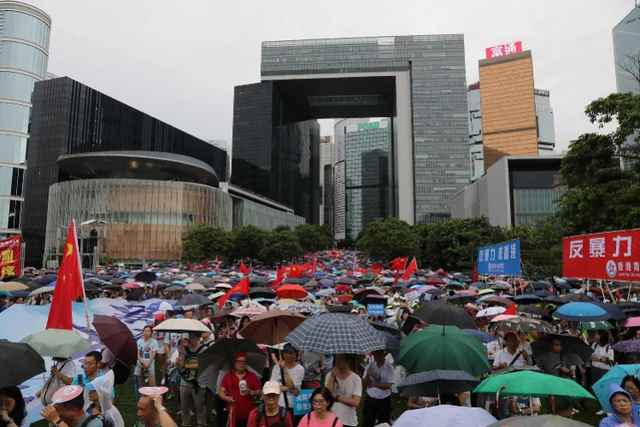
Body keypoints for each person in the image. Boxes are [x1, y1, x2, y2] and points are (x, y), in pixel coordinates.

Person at [219, 352, 261, 427]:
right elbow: (221, 392)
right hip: (233, 413)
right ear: (235, 363)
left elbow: (259, 392)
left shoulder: (252, 376)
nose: (241, 364)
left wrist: (251, 392)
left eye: (244, 361)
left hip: (249, 414)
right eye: (239, 361)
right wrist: (227, 398)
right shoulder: (228, 376)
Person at [176, 333, 207, 427]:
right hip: (185, 382)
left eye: (193, 338)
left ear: (198, 338)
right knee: (184, 407)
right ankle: (186, 424)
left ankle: (201, 424)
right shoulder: (184, 349)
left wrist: (187, 364)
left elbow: (203, 366)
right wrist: (179, 362)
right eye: (190, 337)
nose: (190, 340)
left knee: (199, 407)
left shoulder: (204, 349)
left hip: (199, 383)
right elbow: (181, 366)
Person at [324, 354, 361, 427]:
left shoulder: (356, 379)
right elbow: (326, 396)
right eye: (336, 358)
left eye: (341, 359)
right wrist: (332, 377)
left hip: (349, 421)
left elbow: (355, 402)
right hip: (331, 419)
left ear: (348, 361)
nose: (337, 362)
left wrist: (336, 397)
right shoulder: (329, 375)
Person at [41, 385, 105, 427]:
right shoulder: (63, 421)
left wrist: (57, 420)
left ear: (74, 409)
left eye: (58, 409)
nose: (55, 412)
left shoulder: (95, 424)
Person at [361, 350, 394, 427]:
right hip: (371, 397)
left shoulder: (389, 367)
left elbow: (388, 385)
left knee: (383, 422)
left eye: (377, 354)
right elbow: (364, 383)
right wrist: (368, 374)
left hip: (384, 399)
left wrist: (375, 384)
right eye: (374, 354)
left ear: (383, 355)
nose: (375, 357)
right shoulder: (370, 365)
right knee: (367, 421)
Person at [270, 344, 304, 415]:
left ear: (295, 354)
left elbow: (295, 391)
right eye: (286, 352)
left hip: (291, 405)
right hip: (277, 404)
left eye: (291, 353)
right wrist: (287, 388)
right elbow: (272, 386)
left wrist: (284, 369)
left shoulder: (300, 369)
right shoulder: (276, 367)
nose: (288, 355)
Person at [135, 325, 159, 397]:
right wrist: (141, 361)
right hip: (140, 363)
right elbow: (138, 353)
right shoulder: (139, 341)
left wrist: (148, 363)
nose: (146, 333)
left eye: (148, 331)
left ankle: (154, 398)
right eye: (145, 331)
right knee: (141, 383)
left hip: (150, 363)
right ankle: (142, 398)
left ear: (151, 333)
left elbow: (153, 354)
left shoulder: (154, 342)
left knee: (152, 383)